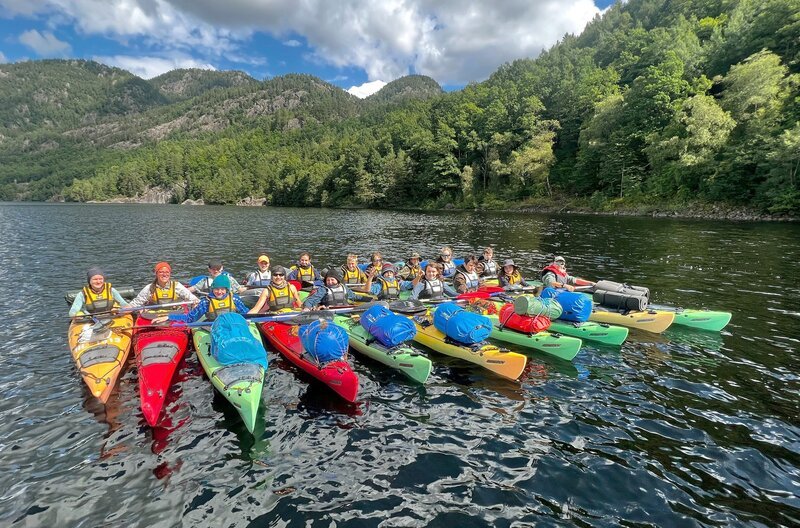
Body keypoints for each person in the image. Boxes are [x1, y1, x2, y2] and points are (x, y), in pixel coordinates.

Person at [152, 275, 248, 324]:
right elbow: (190, 318)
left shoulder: (235, 299)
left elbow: (246, 313)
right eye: (216, 289)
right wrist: (169, 317)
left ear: (227, 290)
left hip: (233, 326)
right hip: (214, 328)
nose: (219, 292)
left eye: (222, 289)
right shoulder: (206, 302)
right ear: (212, 288)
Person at [128, 262, 199, 308]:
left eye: (167, 272)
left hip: (174, 315)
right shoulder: (149, 288)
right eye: (161, 272)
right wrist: (123, 310)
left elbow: (192, 299)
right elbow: (135, 303)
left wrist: (195, 302)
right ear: (156, 274)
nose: (164, 274)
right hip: (153, 316)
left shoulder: (177, 286)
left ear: (170, 274)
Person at [302, 269, 373, 310]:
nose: (330, 282)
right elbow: (311, 300)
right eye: (328, 280)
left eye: (332, 280)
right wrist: (307, 308)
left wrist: (369, 299)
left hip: (345, 311)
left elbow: (355, 297)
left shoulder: (344, 287)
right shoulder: (324, 289)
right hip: (329, 313)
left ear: (337, 280)